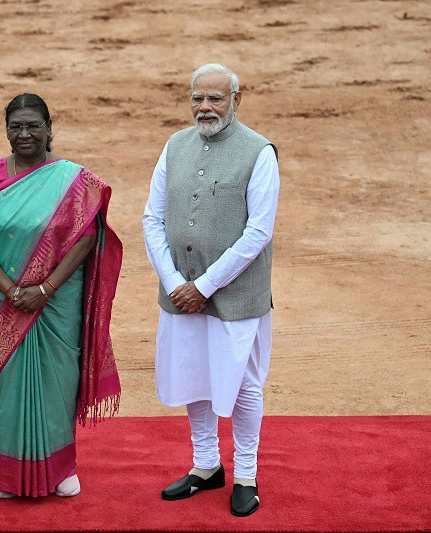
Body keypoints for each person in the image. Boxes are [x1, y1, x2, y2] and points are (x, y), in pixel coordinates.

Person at [0, 93, 123, 499]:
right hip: (6, 302)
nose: (24, 134)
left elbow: (86, 239)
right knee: (10, 384)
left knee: (58, 380)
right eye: (15, 127)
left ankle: (62, 468)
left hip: (57, 303)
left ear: (49, 130)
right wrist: (13, 290)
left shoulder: (73, 179)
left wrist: (45, 290)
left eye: (33, 125)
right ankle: (8, 476)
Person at [142, 63, 280, 517]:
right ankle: (205, 466)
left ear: (236, 100)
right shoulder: (174, 145)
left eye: (215, 98)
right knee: (193, 377)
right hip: (180, 292)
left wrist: (202, 285)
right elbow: (152, 219)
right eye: (197, 98)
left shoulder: (259, 152)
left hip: (236, 297)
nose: (205, 107)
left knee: (243, 385)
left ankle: (245, 474)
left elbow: (258, 232)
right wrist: (174, 282)